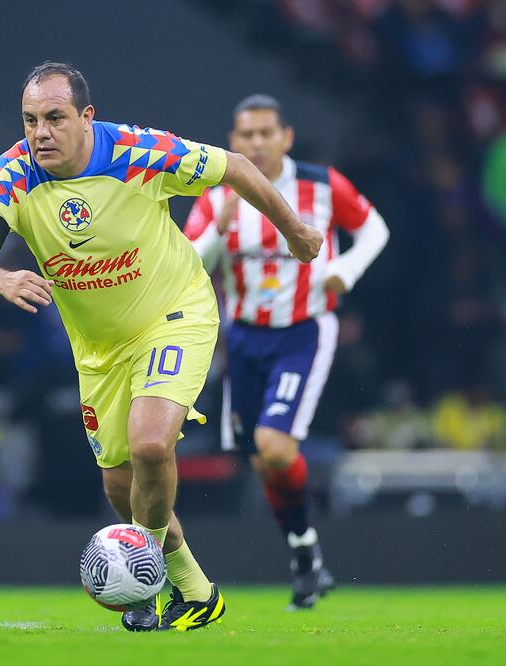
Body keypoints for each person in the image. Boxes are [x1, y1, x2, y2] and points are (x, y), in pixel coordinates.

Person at [0, 63, 321, 631]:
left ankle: (137, 576)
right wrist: (2, 278)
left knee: (152, 446)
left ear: (86, 117)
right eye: (30, 121)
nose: (40, 133)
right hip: (97, 350)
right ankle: (195, 592)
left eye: (54, 118)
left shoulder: (137, 152)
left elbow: (237, 167)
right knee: (121, 486)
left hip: (174, 315)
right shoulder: (11, 175)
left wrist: (293, 230)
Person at [185, 94, 389, 610]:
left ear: (286, 137)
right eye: (246, 135)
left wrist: (346, 271)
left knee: (275, 447)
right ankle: (306, 557)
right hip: (245, 337)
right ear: (233, 142)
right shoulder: (216, 193)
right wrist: (222, 223)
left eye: (265, 133)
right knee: (264, 461)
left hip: (303, 330)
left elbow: (373, 228)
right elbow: (189, 262)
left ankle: (305, 557)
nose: (256, 143)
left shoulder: (319, 185)